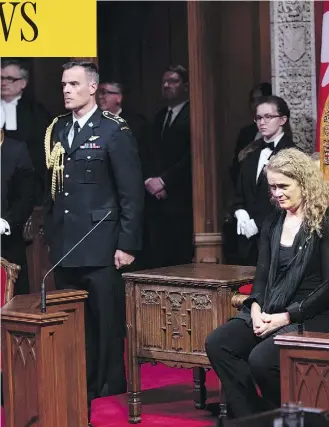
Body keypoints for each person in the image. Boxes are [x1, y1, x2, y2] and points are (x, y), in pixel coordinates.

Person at [206, 148, 329, 418]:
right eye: (272, 187)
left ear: (304, 184)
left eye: (284, 186)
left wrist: (286, 317)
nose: (277, 193)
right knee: (218, 343)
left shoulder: (327, 223)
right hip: (270, 307)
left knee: (261, 359)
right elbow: (261, 276)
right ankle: (253, 417)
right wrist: (256, 309)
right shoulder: (272, 222)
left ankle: (285, 416)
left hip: (314, 314)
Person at [43, 61, 144, 407]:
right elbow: (56, 189)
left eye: (73, 84)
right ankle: (78, 386)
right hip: (67, 243)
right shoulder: (57, 130)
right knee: (73, 324)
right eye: (63, 85)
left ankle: (108, 390)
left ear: (92, 89)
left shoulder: (114, 131)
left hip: (101, 243)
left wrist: (127, 243)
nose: (67, 90)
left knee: (106, 324)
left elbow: (131, 192)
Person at [232, 95, 296, 266]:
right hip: (247, 243)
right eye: (259, 117)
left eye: (268, 117)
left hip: (277, 239)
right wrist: (240, 212)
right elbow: (239, 193)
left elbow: (291, 200)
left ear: (282, 119)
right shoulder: (250, 153)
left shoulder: (293, 154)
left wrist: (259, 223)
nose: (262, 122)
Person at [144, 65, 192, 268]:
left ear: (186, 86)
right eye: (164, 81)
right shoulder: (160, 116)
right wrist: (150, 180)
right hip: (157, 201)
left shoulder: (193, 114)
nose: (166, 85)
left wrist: (165, 181)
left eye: (173, 81)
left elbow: (193, 156)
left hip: (182, 199)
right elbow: (149, 153)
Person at [1, 59, 51, 204]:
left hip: (26, 179)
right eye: (1, 78)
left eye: (9, 79)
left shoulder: (36, 112)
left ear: (23, 83)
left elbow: (42, 150)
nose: (3, 83)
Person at [0, 103, 35, 295]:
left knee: (12, 300)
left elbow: (26, 196)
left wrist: (7, 221)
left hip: (7, 241)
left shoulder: (17, 151)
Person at [97, 81, 150, 169]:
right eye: (98, 93)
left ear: (119, 97)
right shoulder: (93, 122)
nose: (99, 97)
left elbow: (144, 157)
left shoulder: (137, 124)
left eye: (104, 92)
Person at [229, 82, 272, 187]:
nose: (255, 104)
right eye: (253, 100)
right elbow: (236, 165)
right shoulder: (246, 133)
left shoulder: (276, 129)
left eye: (259, 99)